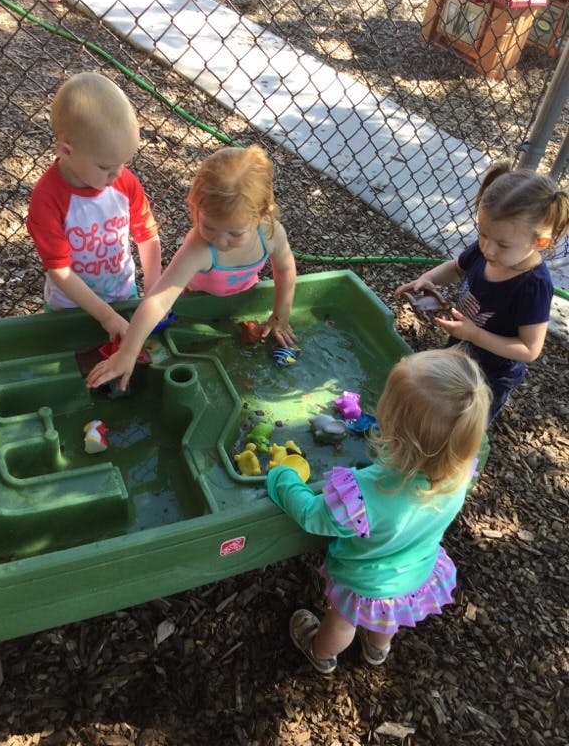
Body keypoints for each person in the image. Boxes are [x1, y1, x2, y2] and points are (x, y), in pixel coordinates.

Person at [266, 347, 490, 675]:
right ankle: (377, 649)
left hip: (364, 581)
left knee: (342, 621)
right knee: (386, 619)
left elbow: (312, 515)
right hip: (413, 574)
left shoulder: (366, 491)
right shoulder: (460, 472)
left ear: (395, 429)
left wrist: (283, 477)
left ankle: (320, 652)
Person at [87, 144, 297, 392]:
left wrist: (280, 317)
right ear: (195, 208)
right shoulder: (199, 247)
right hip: (194, 306)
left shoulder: (271, 234)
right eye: (209, 226)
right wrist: (128, 352)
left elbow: (285, 269)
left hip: (242, 300)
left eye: (235, 233)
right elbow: (158, 300)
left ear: (261, 215)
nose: (220, 241)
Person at [394, 162, 569, 422]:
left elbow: (529, 349)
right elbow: (456, 268)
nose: (488, 249)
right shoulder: (485, 250)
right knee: (441, 412)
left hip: (491, 376)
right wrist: (427, 279)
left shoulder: (532, 286)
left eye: (503, 244)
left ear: (540, 243)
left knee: (467, 424)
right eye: (483, 234)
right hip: (461, 348)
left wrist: (475, 334)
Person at [27, 71, 162, 342]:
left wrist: (153, 288)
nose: (117, 175)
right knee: (70, 358)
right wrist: (106, 316)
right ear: (66, 151)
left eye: (123, 163)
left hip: (123, 294)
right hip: (69, 307)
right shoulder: (48, 198)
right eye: (105, 167)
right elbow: (59, 270)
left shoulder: (123, 182)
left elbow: (147, 234)